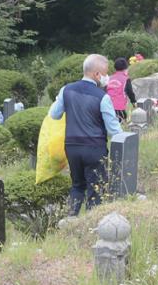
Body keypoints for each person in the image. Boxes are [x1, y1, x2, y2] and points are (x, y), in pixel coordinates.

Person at [49, 54, 123, 215]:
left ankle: (69, 220)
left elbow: (54, 114)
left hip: (72, 147)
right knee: (96, 188)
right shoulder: (102, 97)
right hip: (94, 148)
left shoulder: (66, 90)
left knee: (77, 185)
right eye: (105, 73)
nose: (106, 77)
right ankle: (92, 223)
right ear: (97, 74)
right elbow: (114, 131)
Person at [105, 57, 136, 122]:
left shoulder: (110, 78)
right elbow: (130, 92)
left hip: (107, 106)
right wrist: (133, 102)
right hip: (119, 108)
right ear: (126, 69)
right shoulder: (126, 79)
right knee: (122, 122)